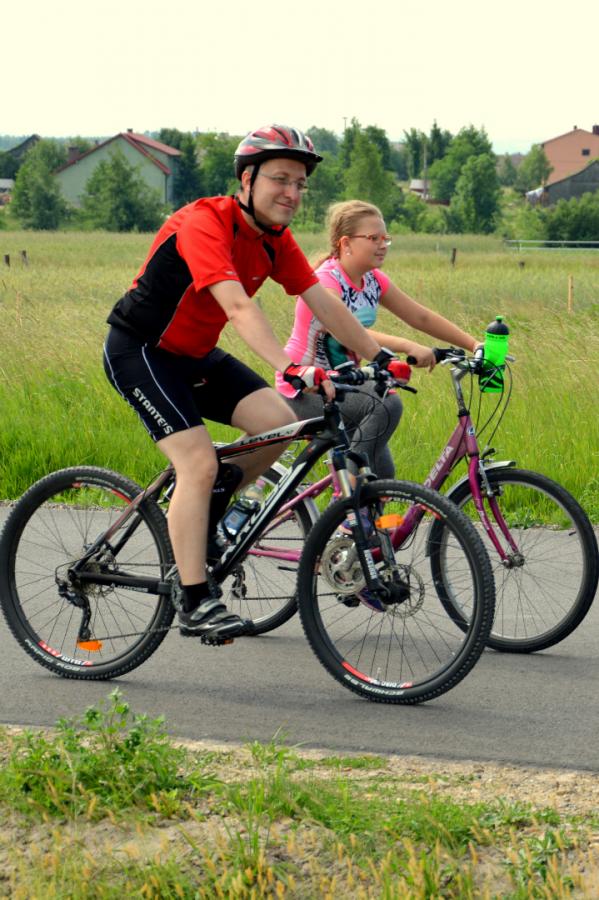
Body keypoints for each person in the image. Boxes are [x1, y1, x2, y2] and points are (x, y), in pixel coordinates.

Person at [103, 127, 389, 641]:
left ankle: (207, 508)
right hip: (140, 352)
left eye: (300, 184)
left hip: (193, 356)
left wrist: (380, 356)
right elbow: (237, 306)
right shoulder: (204, 223)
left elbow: (323, 303)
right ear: (247, 179)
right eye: (280, 179)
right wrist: (289, 366)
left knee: (280, 423)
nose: (292, 193)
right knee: (197, 462)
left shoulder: (274, 240)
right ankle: (194, 598)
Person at [275, 200, 482, 478]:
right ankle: (350, 488)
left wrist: (473, 344)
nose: (383, 245)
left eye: (386, 238)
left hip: (344, 384)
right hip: (305, 388)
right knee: (385, 403)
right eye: (374, 238)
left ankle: (359, 497)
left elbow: (420, 317)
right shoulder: (326, 280)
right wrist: (407, 345)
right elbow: (343, 328)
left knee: (383, 474)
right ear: (346, 243)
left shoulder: (373, 280)